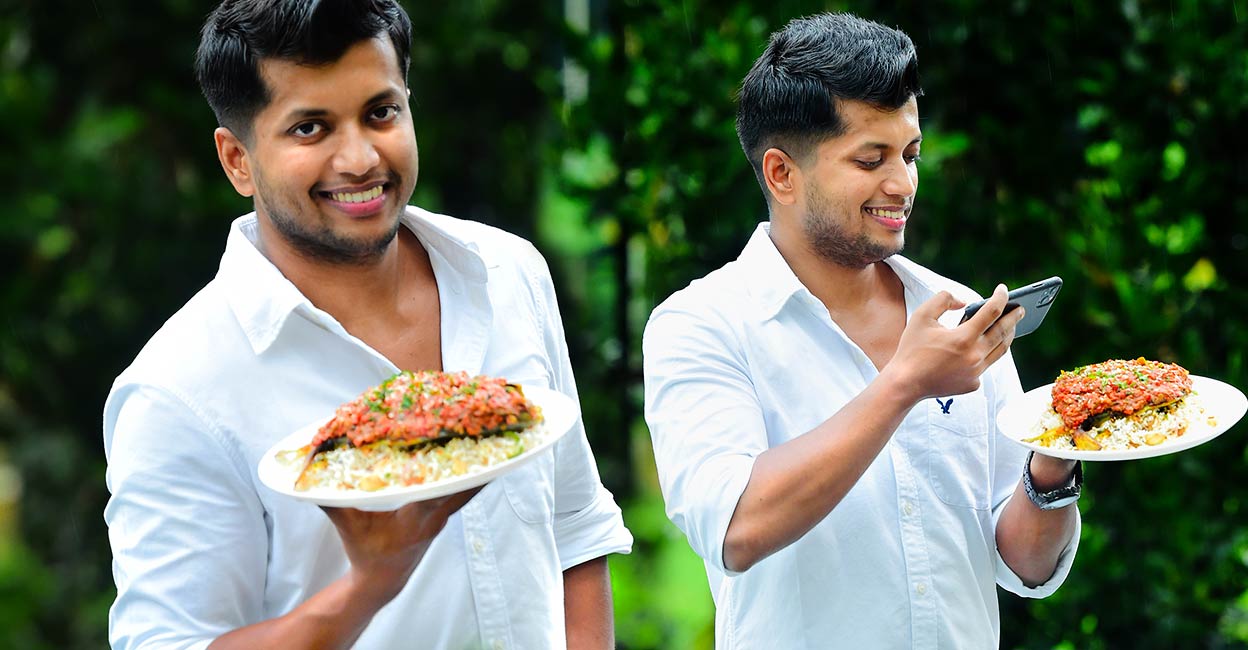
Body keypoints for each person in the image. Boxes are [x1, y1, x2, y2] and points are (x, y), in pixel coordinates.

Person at [102, 1, 631, 648]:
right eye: (310, 129)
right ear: (238, 160)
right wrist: (366, 588)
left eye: (380, 113)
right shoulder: (178, 390)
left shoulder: (506, 273)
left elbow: (574, 528)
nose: (359, 159)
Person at [642, 13, 1081, 648]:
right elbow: (735, 530)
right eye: (870, 159)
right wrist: (904, 384)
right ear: (781, 175)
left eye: (910, 154)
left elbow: (1026, 566)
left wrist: (1054, 465)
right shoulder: (700, 325)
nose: (902, 184)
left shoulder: (955, 311)